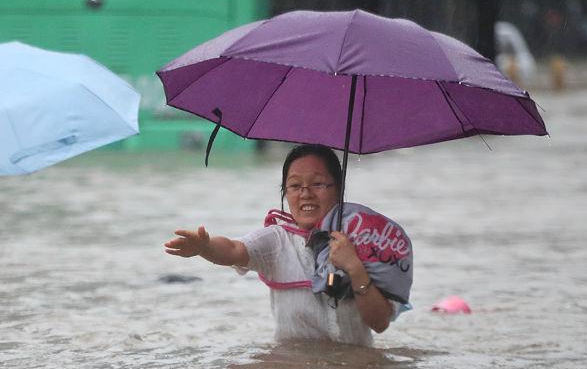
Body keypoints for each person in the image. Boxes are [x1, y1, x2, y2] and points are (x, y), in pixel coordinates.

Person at [165, 143, 413, 346]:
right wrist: (205, 248)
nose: (305, 193)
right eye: (295, 186)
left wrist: (354, 267)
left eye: (317, 183)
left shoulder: (368, 241)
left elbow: (380, 324)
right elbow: (233, 249)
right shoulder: (276, 241)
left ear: (339, 190)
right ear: (285, 193)